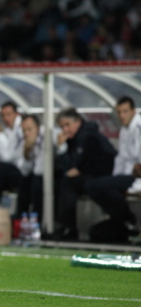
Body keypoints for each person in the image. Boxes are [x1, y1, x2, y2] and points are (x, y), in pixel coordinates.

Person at [55, 107, 117, 240]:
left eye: (67, 125)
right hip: (91, 176)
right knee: (61, 181)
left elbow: (73, 166)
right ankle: (65, 226)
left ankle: (69, 228)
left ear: (77, 122)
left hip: (102, 176)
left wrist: (62, 150)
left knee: (68, 184)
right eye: (62, 126)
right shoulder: (75, 138)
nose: (65, 130)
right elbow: (70, 168)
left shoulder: (88, 136)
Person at [82, 97, 141, 235]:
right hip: (127, 176)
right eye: (119, 112)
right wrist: (114, 179)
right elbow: (121, 159)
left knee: (95, 186)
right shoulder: (125, 131)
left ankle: (126, 219)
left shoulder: (138, 128)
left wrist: (134, 186)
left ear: (133, 111)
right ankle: (123, 220)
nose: (121, 116)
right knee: (97, 186)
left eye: (125, 111)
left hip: (135, 178)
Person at [0, 101, 27, 213]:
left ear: (16, 114)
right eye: (3, 115)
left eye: (9, 114)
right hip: (15, 169)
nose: (5, 118)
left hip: (22, 170)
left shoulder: (20, 128)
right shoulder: (9, 130)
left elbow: (7, 157)